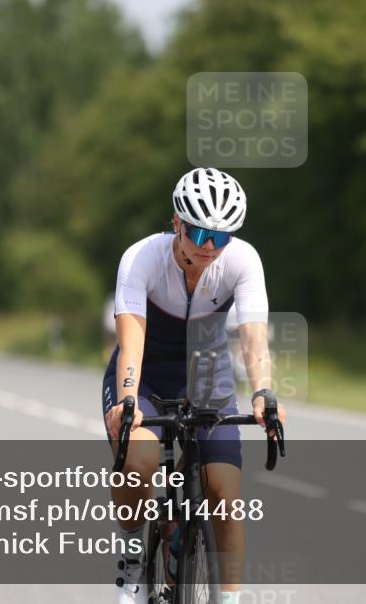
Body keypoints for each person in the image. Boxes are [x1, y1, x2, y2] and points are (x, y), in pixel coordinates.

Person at [102, 167, 286, 604]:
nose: (209, 246)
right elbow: (131, 342)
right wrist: (128, 400)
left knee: (224, 490)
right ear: (176, 224)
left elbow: (254, 338)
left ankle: (228, 600)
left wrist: (263, 392)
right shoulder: (142, 258)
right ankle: (131, 558)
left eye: (220, 237)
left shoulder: (243, 261)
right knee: (140, 460)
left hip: (208, 376)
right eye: (199, 232)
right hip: (145, 372)